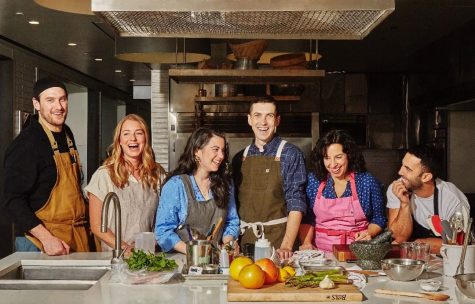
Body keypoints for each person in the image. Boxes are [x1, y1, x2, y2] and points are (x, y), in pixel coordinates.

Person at [2, 78, 89, 255]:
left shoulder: (67, 134)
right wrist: (46, 239)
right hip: (42, 243)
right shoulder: (27, 143)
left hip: (74, 235)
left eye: (62, 99)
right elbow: (12, 200)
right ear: (37, 104)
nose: (59, 106)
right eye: (50, 100)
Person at [232, 97, 307, 260]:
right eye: (257, 115)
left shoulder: (291, 154)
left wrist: (286, 245)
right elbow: (233, 206)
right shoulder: (239, 158)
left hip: (279, 245)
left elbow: (296, 202)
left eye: (269, 116)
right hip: (246, 244)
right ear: (249, 119)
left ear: (277, 120)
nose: (263, 122)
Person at [85, 114, 165, 254]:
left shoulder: (157, 173)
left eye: (138, 133)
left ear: (146, 139)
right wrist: (125, 248)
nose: (132, 139)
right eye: (126, 133)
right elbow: (97, 226)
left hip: (148, 254)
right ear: (119, 141)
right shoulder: (104, 175)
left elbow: (164, 218)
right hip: (114, 255)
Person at [155, 127, 240, 253]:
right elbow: (163, 232)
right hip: (181, 261)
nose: (221, 156)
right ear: (197, 151)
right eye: (215, 150)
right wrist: (194, 252)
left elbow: (230, 222)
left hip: (213, 262)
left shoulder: (226, 184)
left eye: (223, 150)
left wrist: (229, 244)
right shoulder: (175, 185)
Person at [299, 130, 386, 252]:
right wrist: (307, 243)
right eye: (327, 158)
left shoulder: (366, 181)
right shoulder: (314, 181)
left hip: (356, 251)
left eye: (338, 157)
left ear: (349, 155)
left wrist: (369, 233)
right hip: (320, 254)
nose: (333, 164)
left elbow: (379, 218)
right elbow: (308, 218)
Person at [387, 145, 469, 253]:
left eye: (408, 169)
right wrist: (404, 204)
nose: (400, 172)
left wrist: (418, 244)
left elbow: (458, 243)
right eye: (402, 165)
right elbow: (399, 238)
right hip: (413, 257)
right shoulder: (398, 188)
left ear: (426, 177)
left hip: (448, 260)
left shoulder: (452, 200)